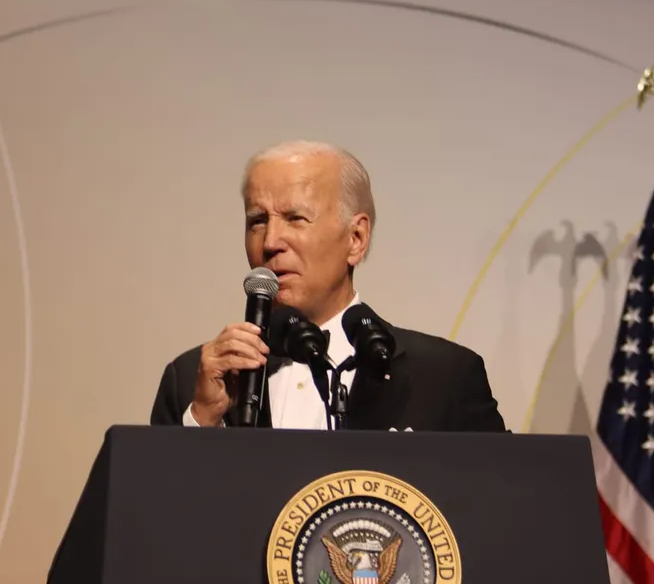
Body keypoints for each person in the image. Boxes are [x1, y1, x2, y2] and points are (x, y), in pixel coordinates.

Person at [149, 140, 506, 432]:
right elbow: (147, 513)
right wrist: (201, 421)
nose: (270, 241)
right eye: (257, 221)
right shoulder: (192, 380)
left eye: (295, 218)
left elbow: (502, 503)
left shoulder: (444, 379)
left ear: (356, 237)